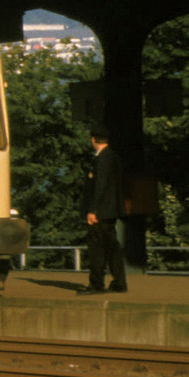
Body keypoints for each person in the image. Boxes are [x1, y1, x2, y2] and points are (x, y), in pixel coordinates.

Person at [80, 124, 127, 294]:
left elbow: (99, 186)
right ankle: (120, 282)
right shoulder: (113, 157)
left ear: (94, 139)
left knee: (97, 248)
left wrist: (92, 210)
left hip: (100, 211)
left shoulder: (101, 159)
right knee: (112, 247)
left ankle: (96, 283)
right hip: (110, 210)